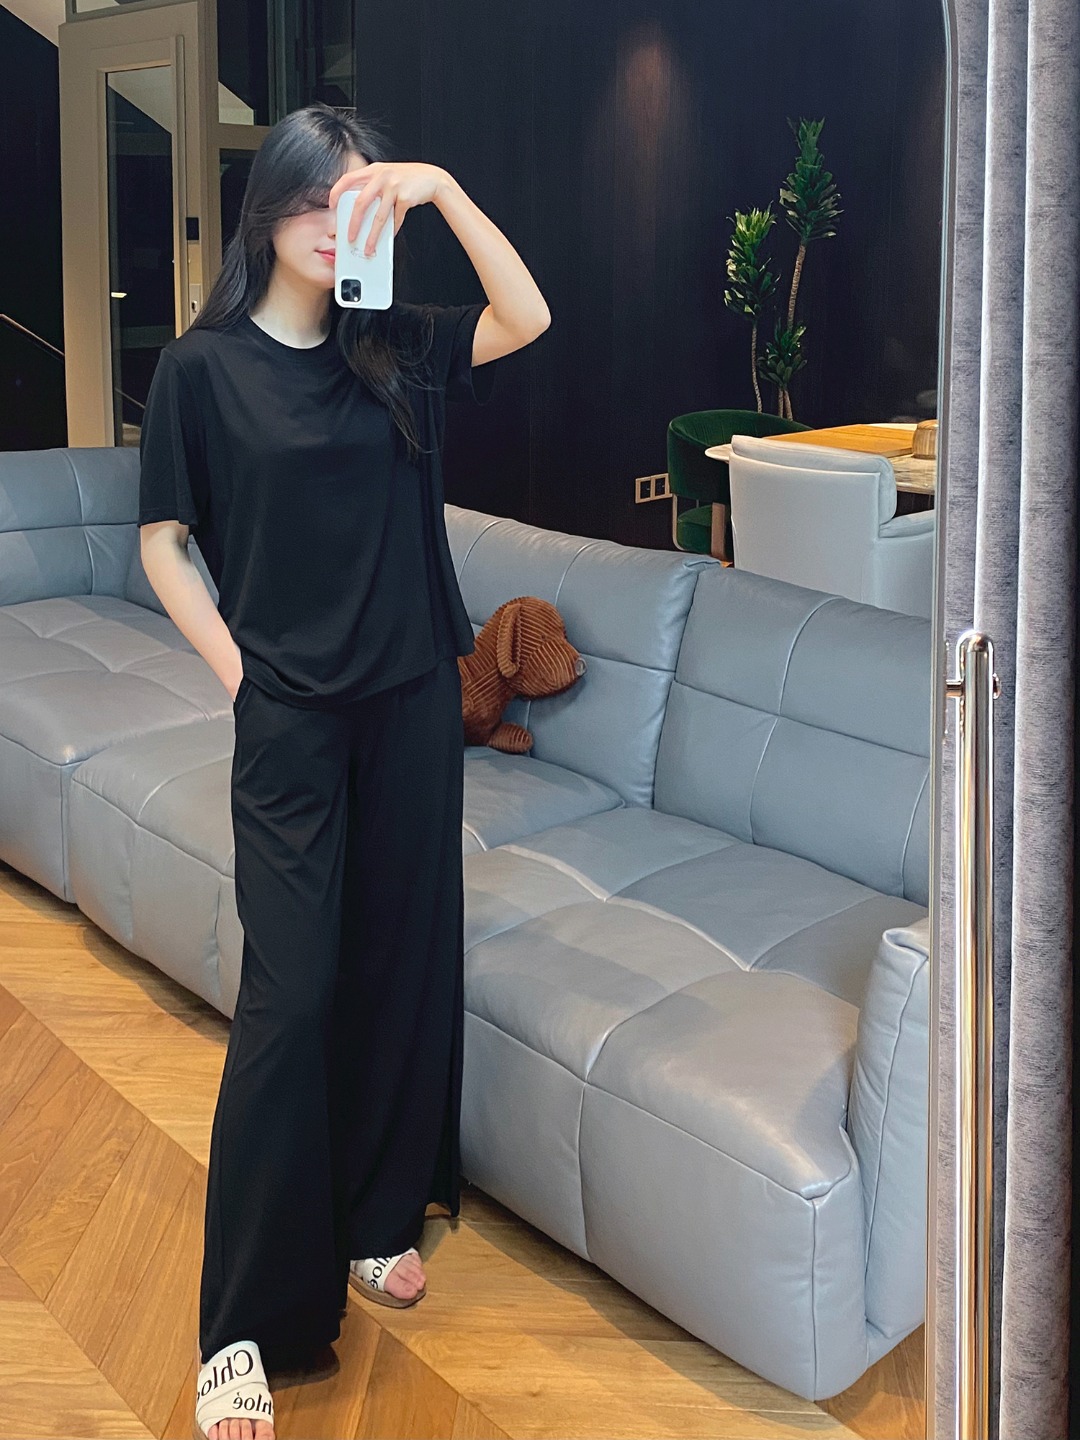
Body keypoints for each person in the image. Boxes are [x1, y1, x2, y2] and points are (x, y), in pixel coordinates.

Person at [136, 102, 550, 1440]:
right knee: (291, 996)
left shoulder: (398, 349)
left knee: (396, 965)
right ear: (267, 211)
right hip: (292, 723)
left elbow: (528, 316)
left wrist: (444, 189)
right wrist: (236, 668)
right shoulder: (201, 370)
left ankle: (378, 1219)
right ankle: (240, 1327)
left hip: (414, 699)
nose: (334, 222)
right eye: (315, 198)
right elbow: (163, 541)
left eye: (358, 199)